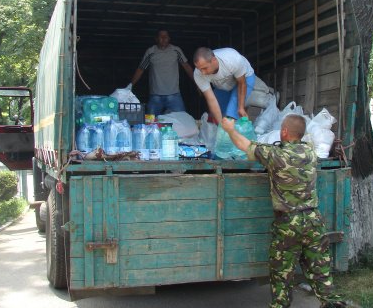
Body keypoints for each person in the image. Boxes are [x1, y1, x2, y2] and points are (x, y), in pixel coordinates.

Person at [221, 114, 347, 308]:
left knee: (282, 273)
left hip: (289, 223)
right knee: (321, 271)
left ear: (285, 131)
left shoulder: (277, 155)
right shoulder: (310, 153)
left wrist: (229, 129)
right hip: (313, 220)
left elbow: (244, 145)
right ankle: (332, 303)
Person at [130, 30, 194, 115]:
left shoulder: (176, 50)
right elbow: (141, 69)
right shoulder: (151, 51)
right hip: (155, 96)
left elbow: (187, 67)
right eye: (161, 36)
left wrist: (197, 83)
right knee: (151, 123)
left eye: (166, 36)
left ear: (169, 38)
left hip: (174, 95)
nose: (164, 38)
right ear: (156, 39)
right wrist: (130, 85)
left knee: (181, 119)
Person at [193, 47, 257, 124]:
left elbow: (242, 83)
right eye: (200, 69)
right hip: (222, 84)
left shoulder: (232, 59)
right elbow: (211, 99)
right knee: (220, 115)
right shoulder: (198, 74)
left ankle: (236, 134)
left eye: (205, 68)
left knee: (231, 114)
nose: (202, 72)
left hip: (244, 78)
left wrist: (241, 107)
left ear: (214, 60)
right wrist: (221, 125)